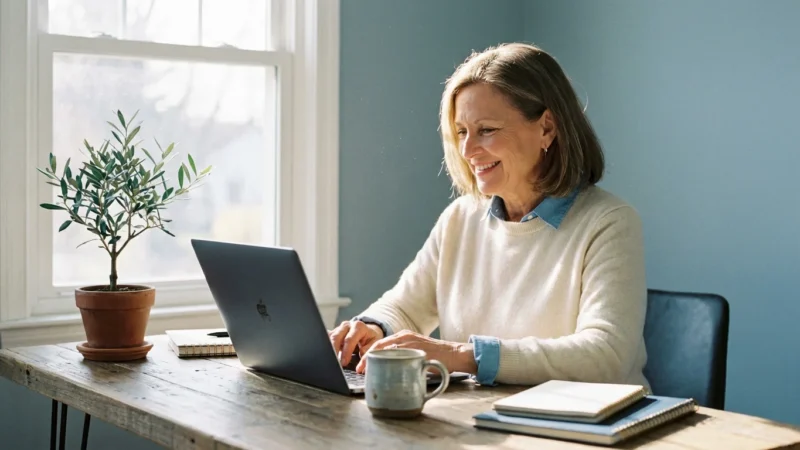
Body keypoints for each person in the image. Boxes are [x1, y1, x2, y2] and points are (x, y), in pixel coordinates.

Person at [329, 42, 649, 389]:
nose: (467, 150)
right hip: (486, 423)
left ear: (546, 128)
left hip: (592, 434)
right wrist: (373, 326)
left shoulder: (609, 222)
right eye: (462, 132)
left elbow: (605, 355)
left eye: (487, 130)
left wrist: (463, 356)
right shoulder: (460, 218)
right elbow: (406, 306)